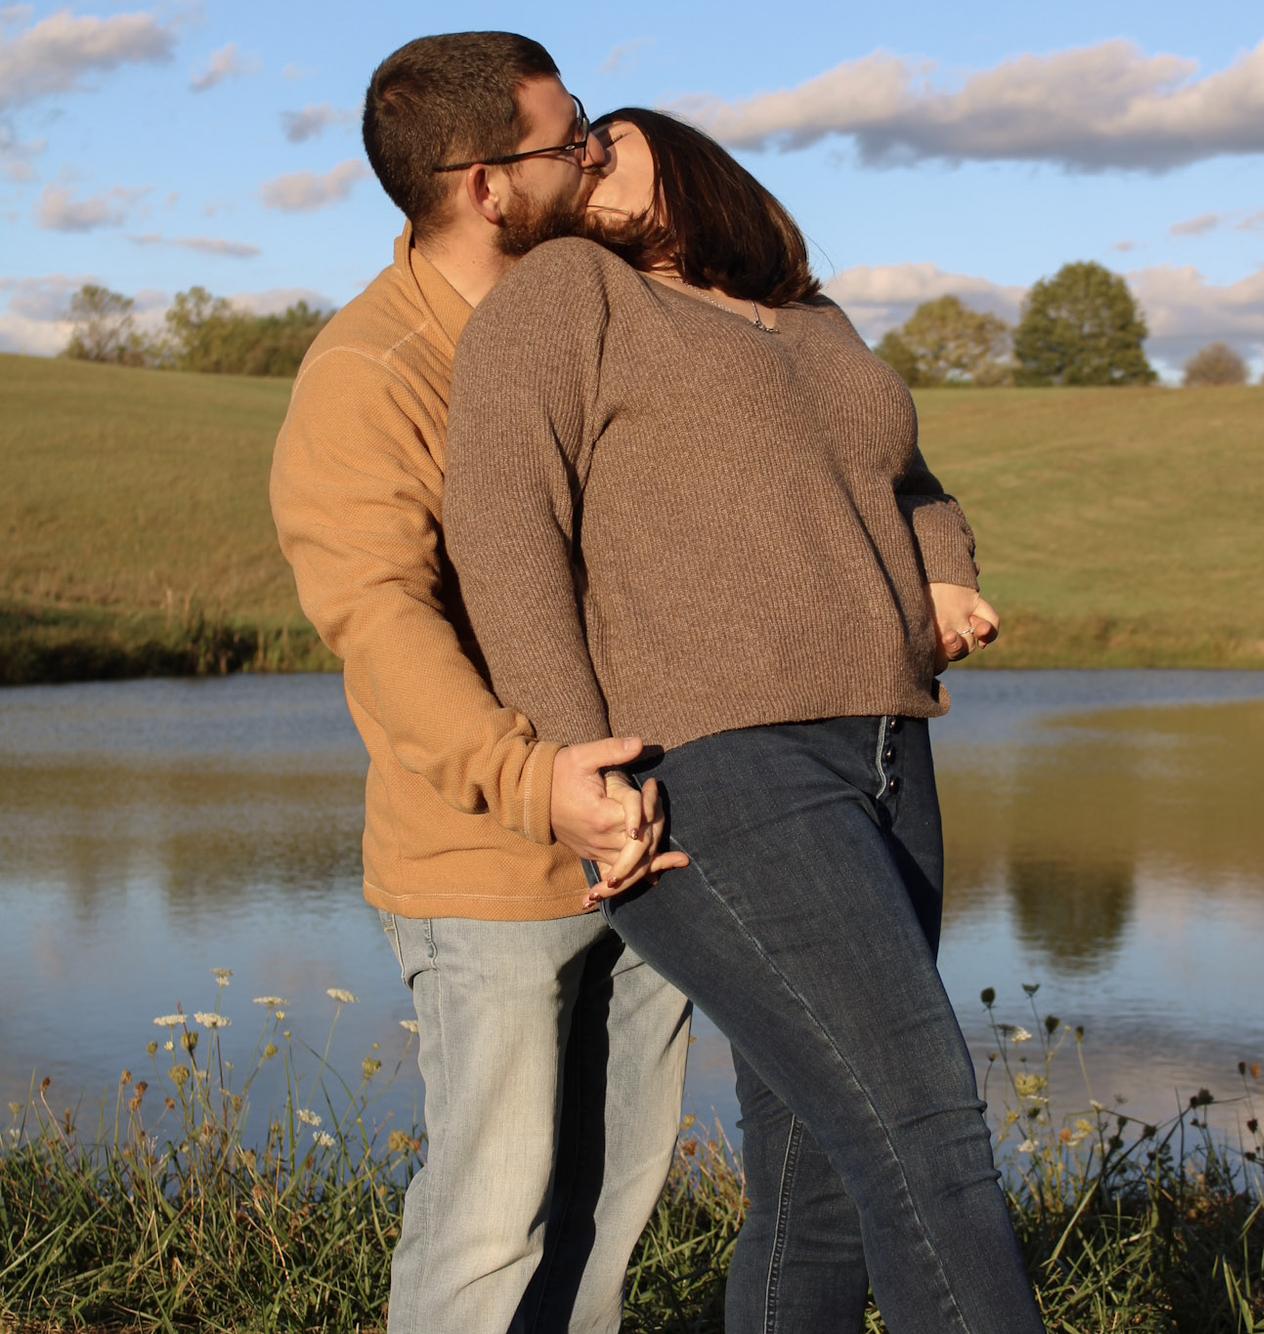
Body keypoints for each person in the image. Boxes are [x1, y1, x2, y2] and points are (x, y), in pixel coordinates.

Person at [443, 107, 1047, 1332]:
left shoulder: (814, 321)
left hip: (885, 746)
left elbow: (907, 477)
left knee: (819, 1173)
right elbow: (503, 525)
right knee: (924, 1117)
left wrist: (942, 561)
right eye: (575, 153)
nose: (587, 159)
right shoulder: (570, 292)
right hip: (714, 761)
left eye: (606, 137)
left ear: (692, 157)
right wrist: (576, 755)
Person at [269, 40, 694, 1334]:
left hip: (655, 838)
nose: (596, 153)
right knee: (491, 1222)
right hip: (486, 860)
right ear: (485, 186)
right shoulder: (374, 371)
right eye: (568, 139)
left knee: (612, 1207)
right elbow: (379, 617)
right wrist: (531, 779)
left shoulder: (611, 317)